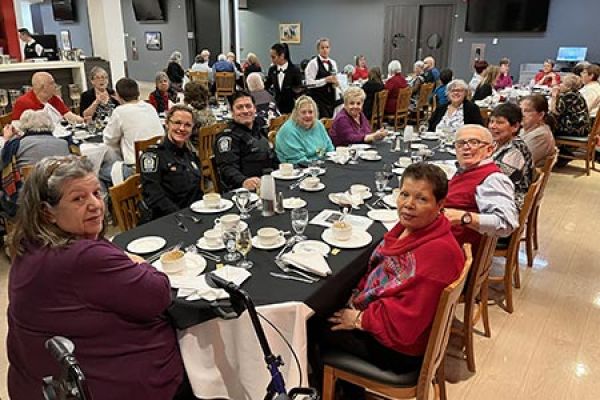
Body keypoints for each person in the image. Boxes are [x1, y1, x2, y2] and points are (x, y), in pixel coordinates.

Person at [7, 155, 185, 399]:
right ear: (47, 213)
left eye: (96, 193)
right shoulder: (83, 257)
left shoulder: (28, 245)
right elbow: (159, 294)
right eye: (78, 198)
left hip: (38, 381)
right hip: (113, 384)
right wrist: (141, 263)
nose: (95, 205)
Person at [313, 163, 465, 398]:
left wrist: (360, 319)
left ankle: (345, 394)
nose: (408, 205)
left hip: (401, 350)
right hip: (391, 326)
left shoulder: (438, 254)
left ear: (440, 205)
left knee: (314, 325)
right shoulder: (415, 228)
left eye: (421, 199)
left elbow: (407, 324)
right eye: (404, 194)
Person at [443, 125, 518, 253]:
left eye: (474, 142)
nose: (466, 147)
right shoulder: (468, 170)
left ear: (489, 150)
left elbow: (506, 223)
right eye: (460, 143)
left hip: (453, 252)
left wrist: (464, 217)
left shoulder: (493, 180)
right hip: (445, 241)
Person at [140, 104, 203, 221]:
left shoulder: (191, 155)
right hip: (166, 219)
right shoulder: (153, 156)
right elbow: (154, 196)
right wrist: (182, 216)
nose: (182, 128)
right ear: (167, 123)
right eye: (177, 123)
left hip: (192, 215)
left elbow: (197, 191)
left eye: (187, 125)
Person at [1, 110, 70, 216]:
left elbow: (2, 166)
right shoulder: (64, 144)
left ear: (24, 127)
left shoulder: (16, 145)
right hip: (59, 199)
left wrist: (7, 141)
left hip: (27, 202)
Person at [213, 90, 278, 192]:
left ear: (255, 109)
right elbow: (227, 169)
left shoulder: (260, 129)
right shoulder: (227, 137)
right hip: (244, 192)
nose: (245, 111)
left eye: (248, 106)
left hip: (269, 184)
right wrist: (243, 181)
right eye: (239, 107)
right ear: (232, 111)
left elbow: (273, 157)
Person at [103, 78, 163, 179]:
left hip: (136, 169)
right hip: (159, 162)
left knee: (100, 173)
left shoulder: (120, 112)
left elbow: (108, 139)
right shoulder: (149, 107)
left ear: (118, 95)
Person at [488, 103, 534, 209]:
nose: (492, 126)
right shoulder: (499, 142)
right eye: (491, 121)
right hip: (499, 193)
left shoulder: (515, 150)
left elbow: (496, 181)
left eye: (499, 122)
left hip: (509, 201)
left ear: (515, 127)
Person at [275, 95, 333, 164]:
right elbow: (299, 161)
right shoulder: (288, 131)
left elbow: (329, 148)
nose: (307, 115)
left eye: (310, 112)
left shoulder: (318, 124)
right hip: (299, 169)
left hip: (322, 164)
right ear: (296, 114)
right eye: (303, 112)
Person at [11, 72, 83, 124]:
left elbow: (68, 115)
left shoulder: (53, 98)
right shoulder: (23, 102)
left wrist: (83, 120)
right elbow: (17, 127)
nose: (55, 85)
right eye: (52, 83)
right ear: (43, 87)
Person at [264, 42, 303, 114]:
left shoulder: (295, 70)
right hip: (277, 108)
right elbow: (266, 86)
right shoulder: (272, 70)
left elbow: (299, 89)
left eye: (273, 57)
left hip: (292, 108)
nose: (271, 60)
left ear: (282, 56)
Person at [305, 37, 339, 118]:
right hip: (318, 98)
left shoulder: (333, 63)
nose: (325, 50)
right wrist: (325, 80)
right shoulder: (313, 64)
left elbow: (335, 78)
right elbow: (309, 83)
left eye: (327, 47)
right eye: (322, 47)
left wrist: (336, 82)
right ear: (318, 49)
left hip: (330, 98)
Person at [519, 95, 557, 167]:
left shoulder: (540, 135)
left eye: (527, 111)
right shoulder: (525, 129)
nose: (522, 114)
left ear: (541, 115)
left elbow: (520, 162)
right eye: (520, 110)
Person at [550, 73, 590, 138]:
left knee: (546, 128)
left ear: (568, 87)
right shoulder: (575, 94)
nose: (560, 85)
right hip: (581, 127)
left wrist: (554, 96)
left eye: (562, 83)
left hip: (574, 129)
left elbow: (555, 112)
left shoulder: (569, 96)